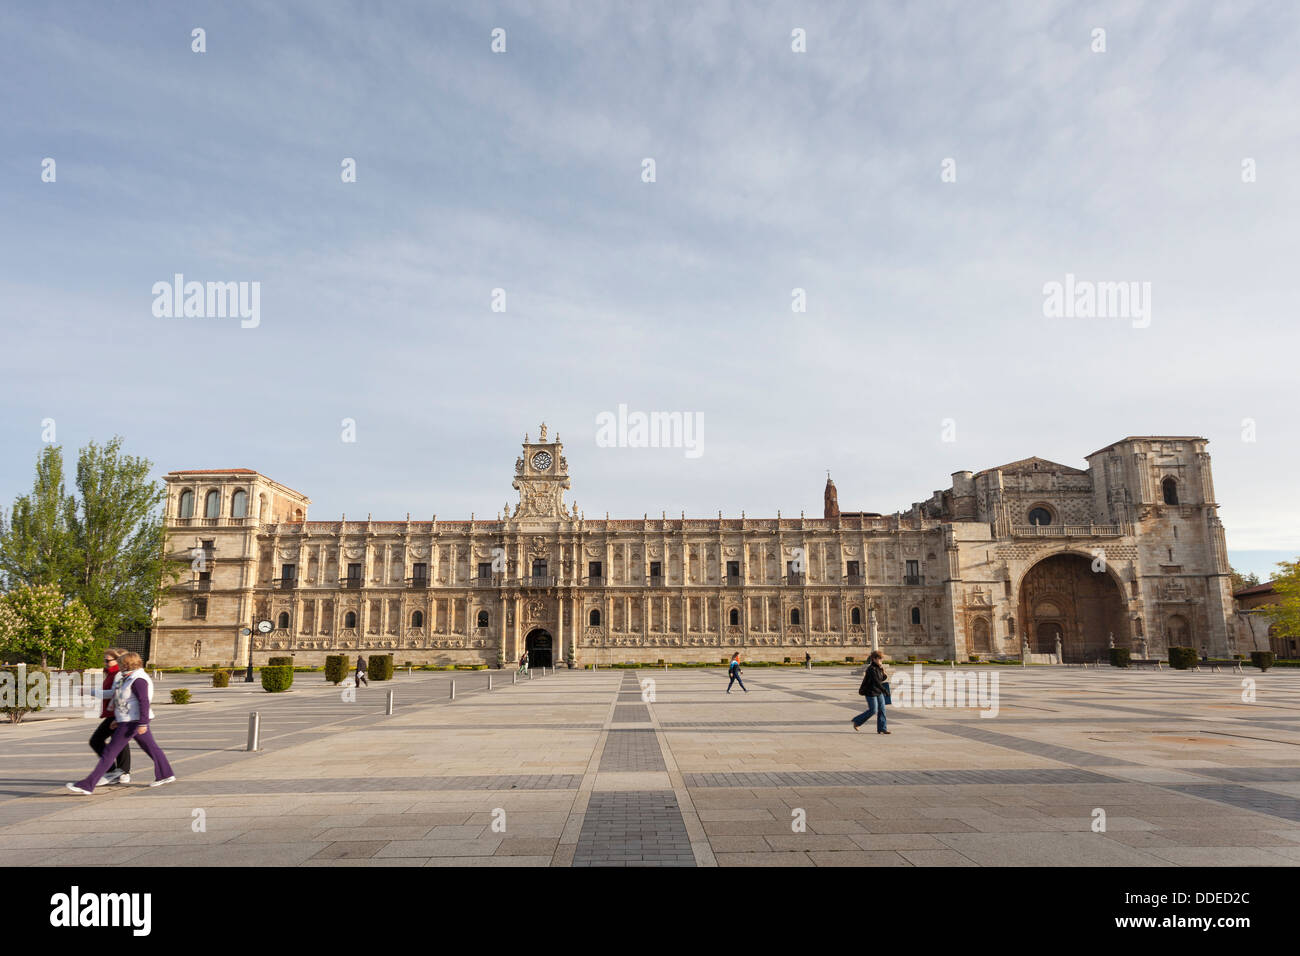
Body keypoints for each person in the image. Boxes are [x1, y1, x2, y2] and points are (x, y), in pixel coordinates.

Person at [66, 652, 175, 793]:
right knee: (151, 748)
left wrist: (142, 723)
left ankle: (87, 785)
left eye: (121, 663)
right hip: (128, 720)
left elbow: (144, 701)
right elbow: (118, 697)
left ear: (127, 664)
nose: (118, 665)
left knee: (110, 753)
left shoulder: (138, 679)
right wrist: (117, 719)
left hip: (132, 722)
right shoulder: (127, 678)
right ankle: (166, 774)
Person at [87, 648, 131, 786]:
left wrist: (91, 691)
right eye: (104, 660)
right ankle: (119, 771)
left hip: (118, 713)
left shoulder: (118, 674)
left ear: (117, 660)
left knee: (97, 740)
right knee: (118, 741)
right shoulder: (111, 673)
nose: (105, 662)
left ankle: (121, 772)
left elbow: (113, 693)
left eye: (107, 660)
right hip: (115, 713)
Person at [851, 650, 891, 734]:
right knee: (873, 710)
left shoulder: (879, 668)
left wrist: (884, 673)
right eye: (879, 659)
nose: (881, 660)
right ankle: (857, 721)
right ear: (874, 659)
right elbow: (876, 681)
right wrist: (885, 691)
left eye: (881, 659)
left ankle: (882, 728)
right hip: (870, 692)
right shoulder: (871, 669)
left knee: (882, 709)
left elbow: (881, 679)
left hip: (878, 691)